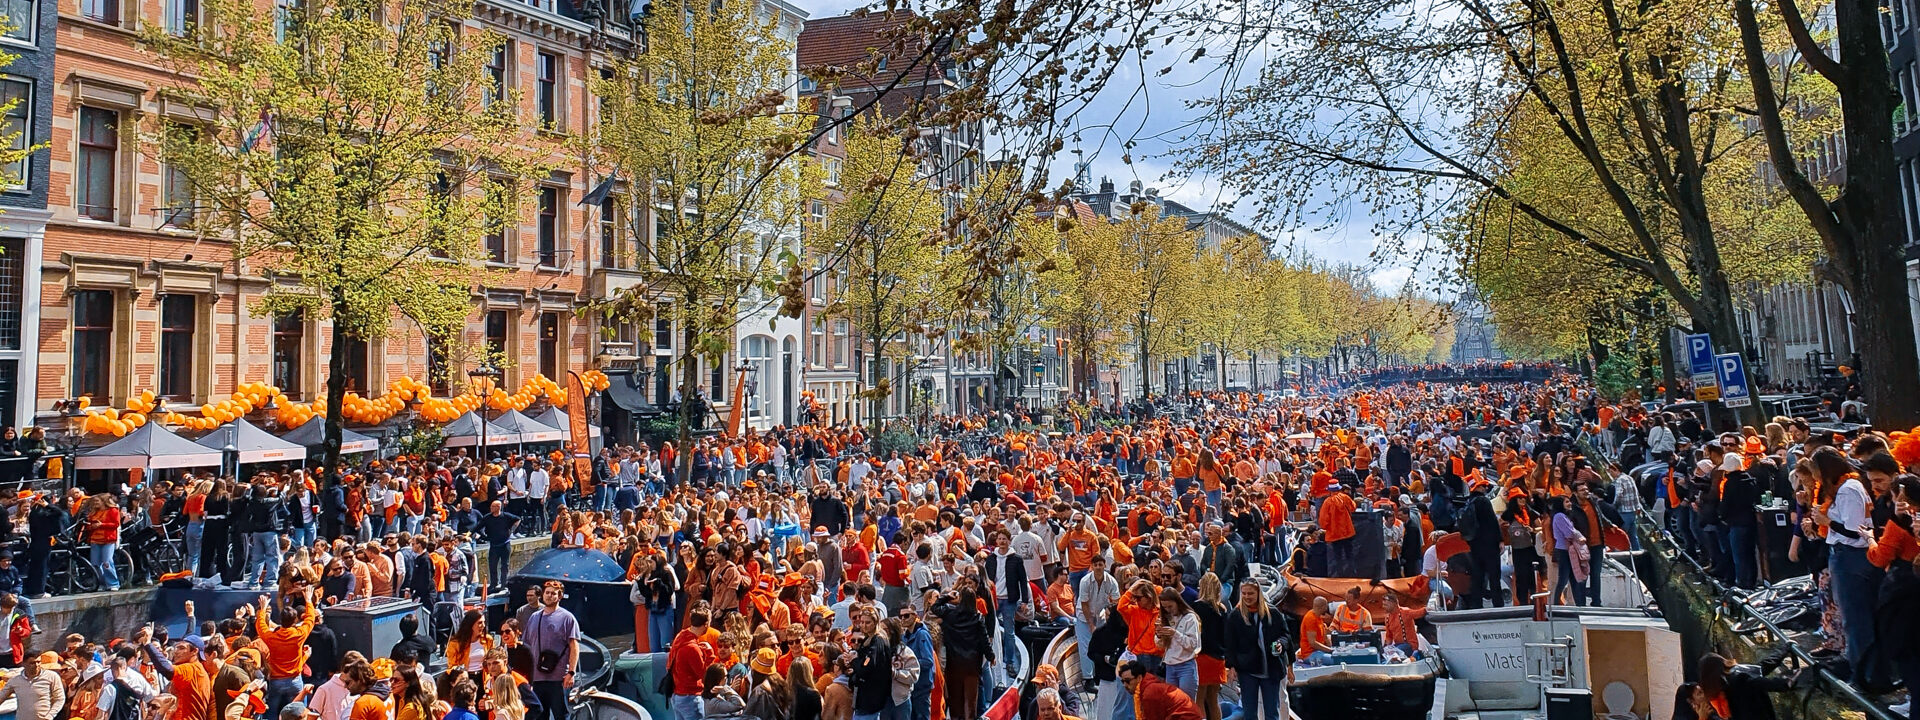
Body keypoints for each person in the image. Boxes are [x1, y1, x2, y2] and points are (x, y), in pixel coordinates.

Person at [1222, 582, 1289, 720]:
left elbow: (1286, 635)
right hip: (1247, 670)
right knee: (1250, 712)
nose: (1247, 596)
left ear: (1258, 593)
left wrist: (1281, 644)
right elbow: (1230, 643)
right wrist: (1231, 666)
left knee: (1272, 712)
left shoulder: (1273, 613)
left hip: (1271, 669)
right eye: (1244, 593)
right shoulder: (1236, 615)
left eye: (1251, 593)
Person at [929, 585, 991, 720]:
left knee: (955, 700)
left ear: (960, 599)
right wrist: (991, 656)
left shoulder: (950, 613)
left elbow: (934, 607)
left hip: (954, 663)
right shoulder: (978, 617)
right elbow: (984, 640)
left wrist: (947, 597)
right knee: (970, 702)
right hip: (972, 665)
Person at [523, 581, 578, 720]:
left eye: (553, 593)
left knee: (562, 715)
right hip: (537, 678)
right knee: (540, 715)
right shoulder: (534, 617)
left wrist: (571, 672)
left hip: (559, 678)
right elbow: (527, 647)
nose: (549, 596)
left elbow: (574, 646)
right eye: (547, 592)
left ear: (559, 596)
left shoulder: (567, 618)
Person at [1189, 574, 1229, 720]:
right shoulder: (1222, 609)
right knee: (1213, 700)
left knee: (1199, 698)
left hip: (1202, 657)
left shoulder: (1196, 607)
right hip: (1218, 658)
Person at [668, 609, 717, 720]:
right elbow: (704, 675)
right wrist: (710, 654)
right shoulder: (692, 648)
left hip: (677, 695)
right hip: (690, 697)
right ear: (706, 624)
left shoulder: (680, 637)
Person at [1157, 587, 1202, 700]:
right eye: (1165, 607)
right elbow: (1160, 645)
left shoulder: (1190, 618)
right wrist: (1159, 635)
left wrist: (1175, 634)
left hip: (1186, 665)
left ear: (1177, 602)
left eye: (1170, 606)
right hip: (1170, 665)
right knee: (1172, 704)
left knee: (1186, 703)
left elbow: (1192, 644)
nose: (1168, 610)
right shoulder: (1165, 618)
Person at [1116, 661, 1202, 720]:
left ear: (1139, 678)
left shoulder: (1149, 693)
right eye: (1122, 681)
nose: (1125, 685)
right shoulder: (1148, 687)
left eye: (1127, 681)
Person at [0, 651, 65, 720]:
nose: (36, 665)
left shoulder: (52, 676)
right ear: (23, 664)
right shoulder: (15, 680)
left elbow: (60, 698)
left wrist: (50, 715)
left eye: (38, 662)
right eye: (32, 663)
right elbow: (1, 697)